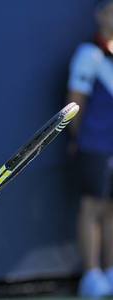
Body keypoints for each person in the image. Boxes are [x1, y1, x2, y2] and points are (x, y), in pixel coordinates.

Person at [66, 0, 113, 297]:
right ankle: (92, 274)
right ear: (100, 14)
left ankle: (109, 270)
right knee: (92, 207)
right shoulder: (89, 55)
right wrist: (77, 137)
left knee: (111, 209)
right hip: (94, 146)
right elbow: (75, 103)